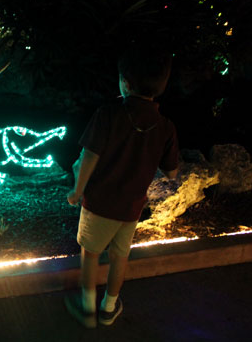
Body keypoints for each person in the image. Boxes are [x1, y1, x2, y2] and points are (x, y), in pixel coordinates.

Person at [64, 43, 180, 328]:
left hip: (99, 203)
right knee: (120, 257)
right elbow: (172, 171)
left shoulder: (107, 115)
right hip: (131, 209)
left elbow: (89, 157)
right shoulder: (165, 126)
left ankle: (88, 306)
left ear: (125, 83)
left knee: (90, 254)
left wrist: (77, 191)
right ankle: (109, 307)